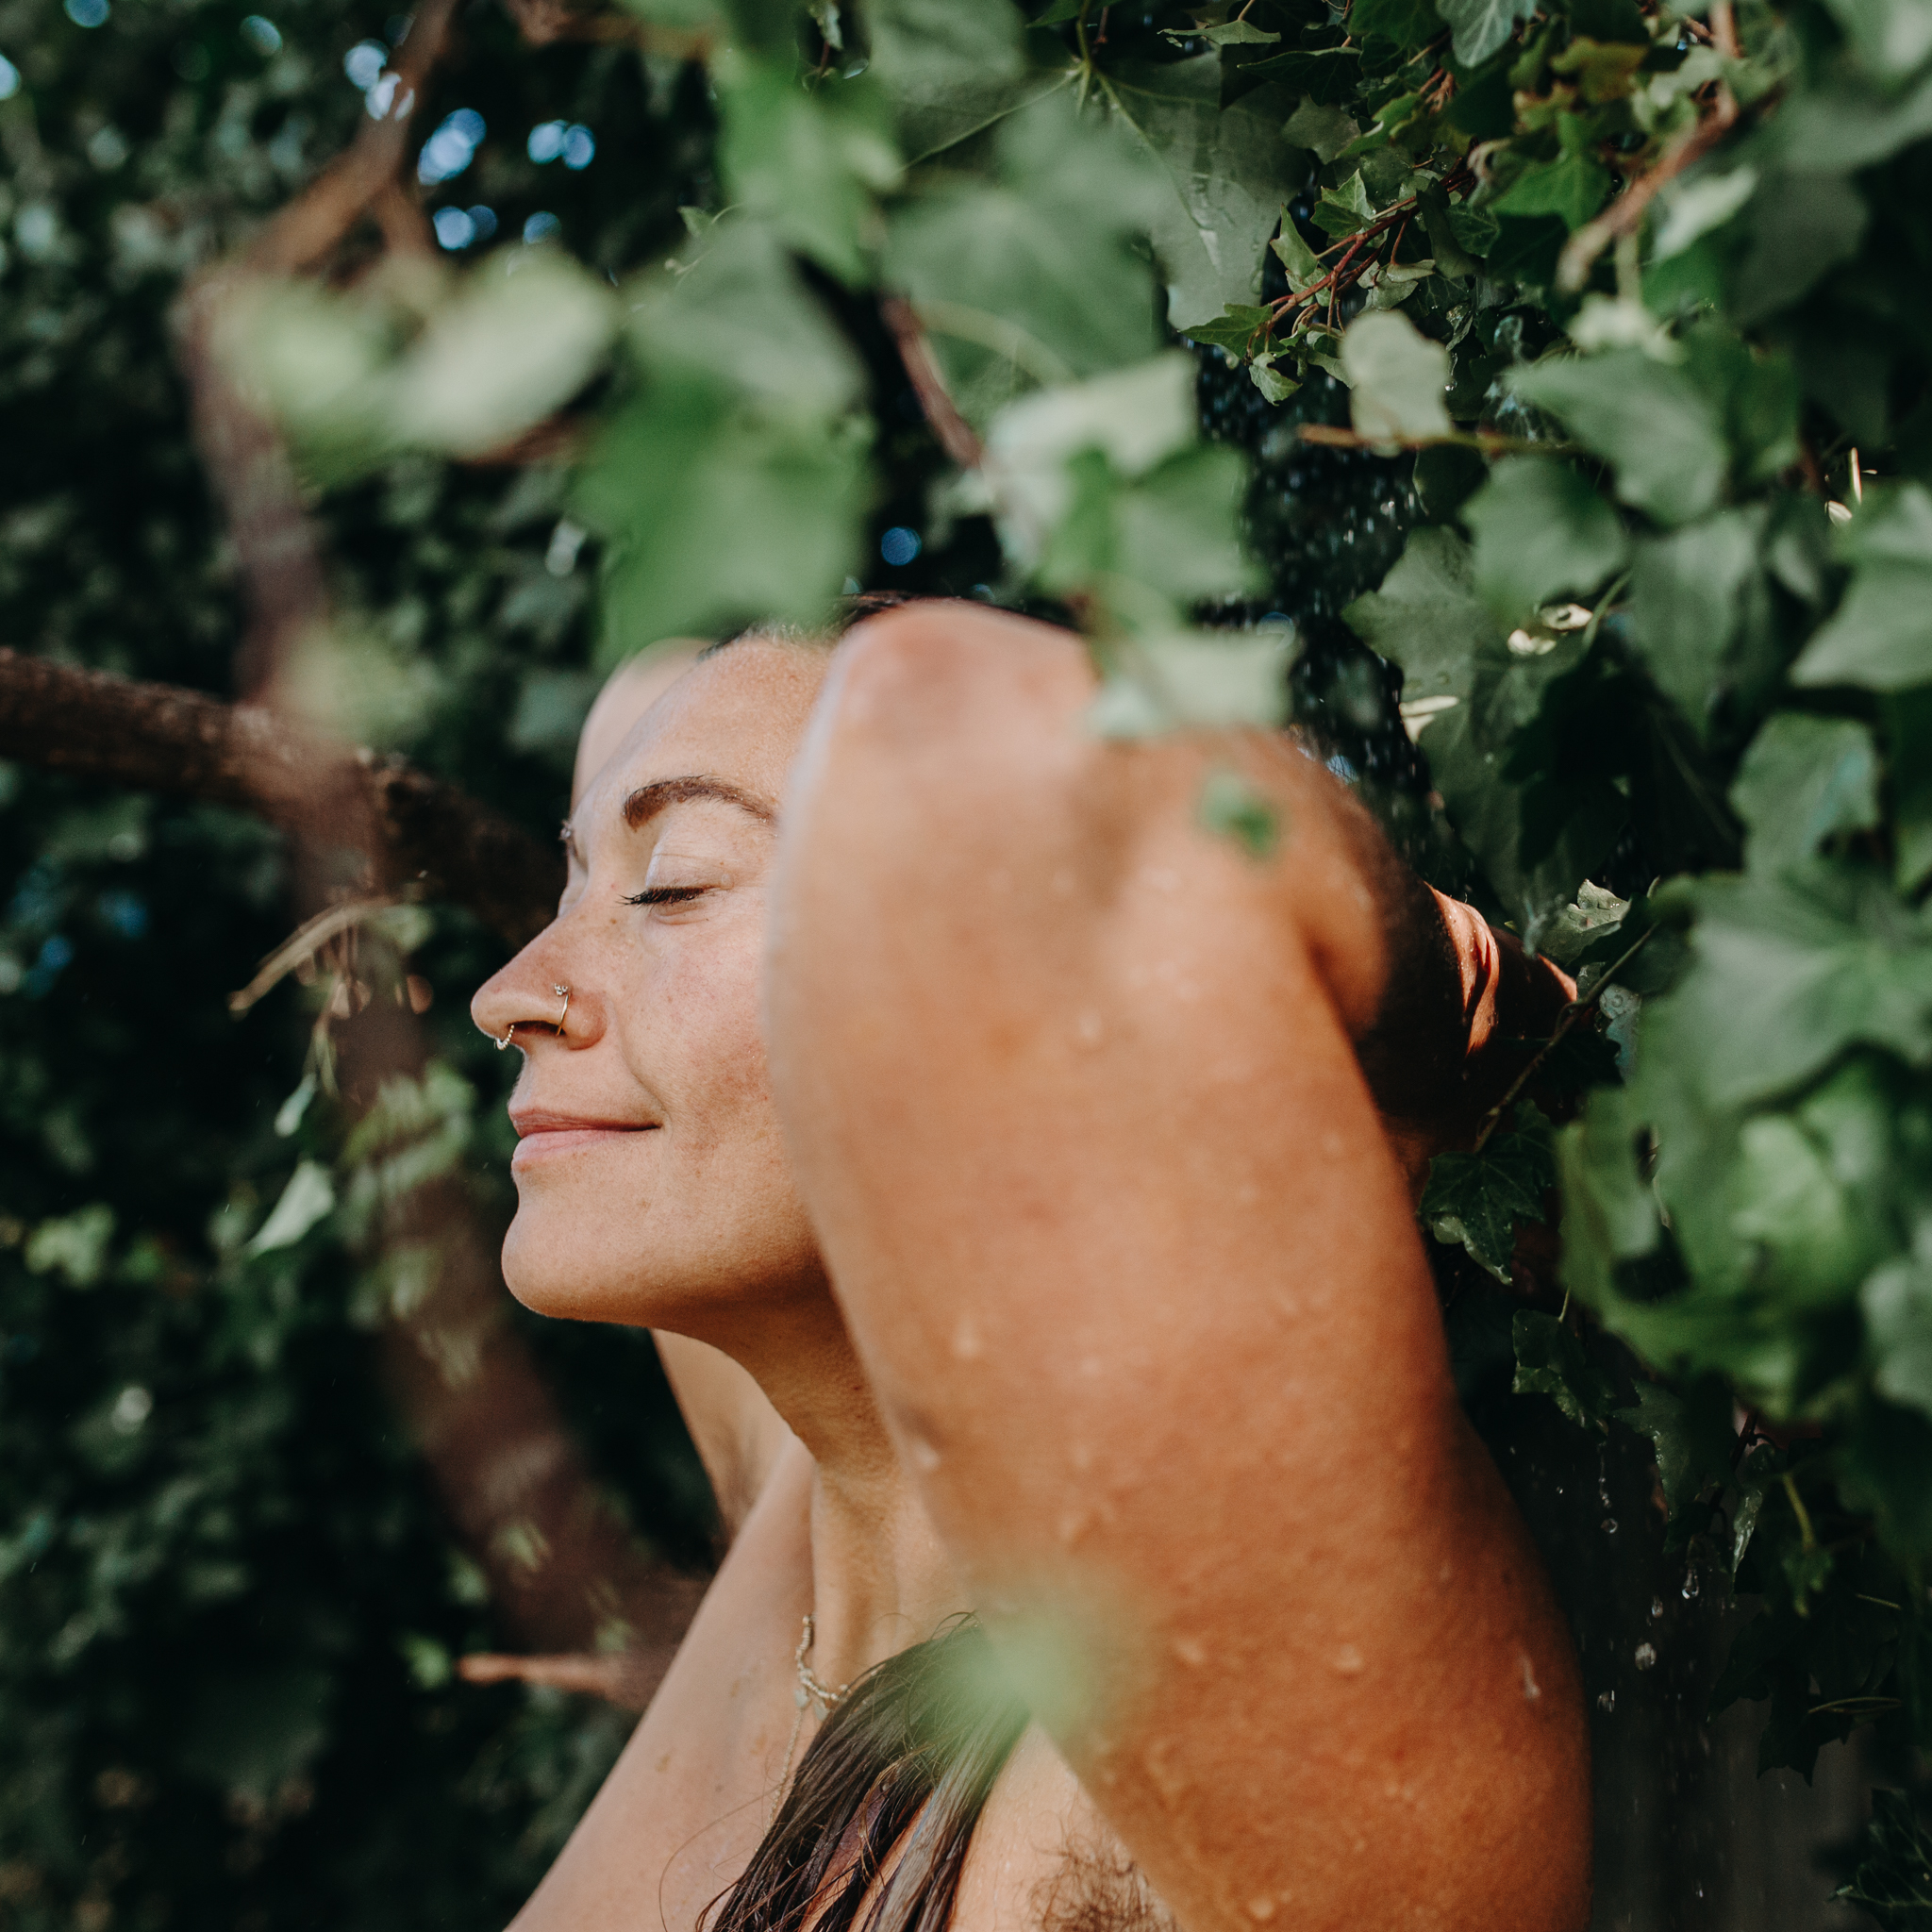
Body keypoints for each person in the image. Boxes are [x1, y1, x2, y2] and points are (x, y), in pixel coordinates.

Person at [470, 601, 1592, 1932]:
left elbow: (957, 697)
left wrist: (1454, 1008)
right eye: (573, 890)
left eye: (676, 885)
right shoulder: (807, 1500)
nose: (510, 995)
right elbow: (654, 684)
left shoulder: (1197, 1696)